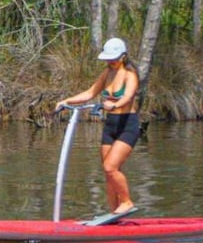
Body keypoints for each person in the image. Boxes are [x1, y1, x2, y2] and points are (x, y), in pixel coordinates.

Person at [56, 36, 141, 218]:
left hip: (127, 124)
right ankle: (114, 214)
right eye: (108, 59)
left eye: (113, 59)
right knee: (108, 172)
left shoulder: (130, 75)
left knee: (111, 167)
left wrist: (114, 105)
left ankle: (126, 202)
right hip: (111, 125)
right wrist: (66, 101)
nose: (110, 62)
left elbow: (127, 97)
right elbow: (90, 93)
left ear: (123, 57)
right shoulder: (107, 73)